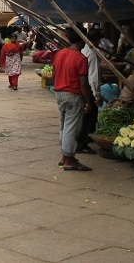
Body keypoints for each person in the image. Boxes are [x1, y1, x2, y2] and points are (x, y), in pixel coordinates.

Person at [53, 28, 94, 171]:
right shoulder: (81, 58)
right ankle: (69, 159)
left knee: (64, 125)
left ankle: (65, 156)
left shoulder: (60, 54)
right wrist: (89, 101)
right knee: (72, 127)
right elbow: (83, 84)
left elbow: (54, 74)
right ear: (81, 39)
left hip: (60, 93)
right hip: (73, 94)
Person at [77, 29, 103, 154]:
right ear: (97, 40)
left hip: (80, 89)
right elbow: (93, 77)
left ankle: (81, 140)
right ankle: (82, 142)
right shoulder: (92, 54)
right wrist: (97, 95)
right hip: (88, 89)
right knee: (89, 117)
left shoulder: (82, 51)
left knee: (83, 117)